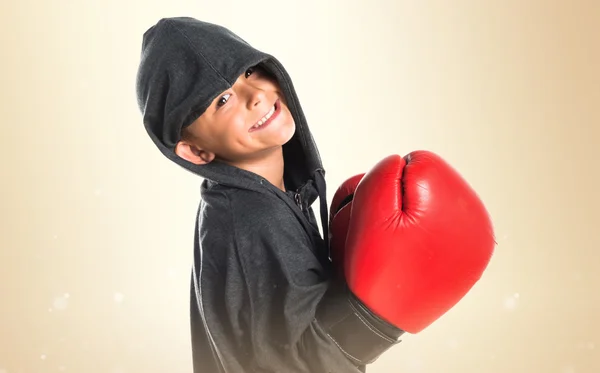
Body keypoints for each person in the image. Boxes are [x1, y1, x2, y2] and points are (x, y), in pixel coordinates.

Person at [135, 16, 496, 373]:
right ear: (196, 152)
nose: (256, 95)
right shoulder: (255, 219)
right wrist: (372, 321)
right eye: (223, 100)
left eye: (248, 72)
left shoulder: (255, 198)